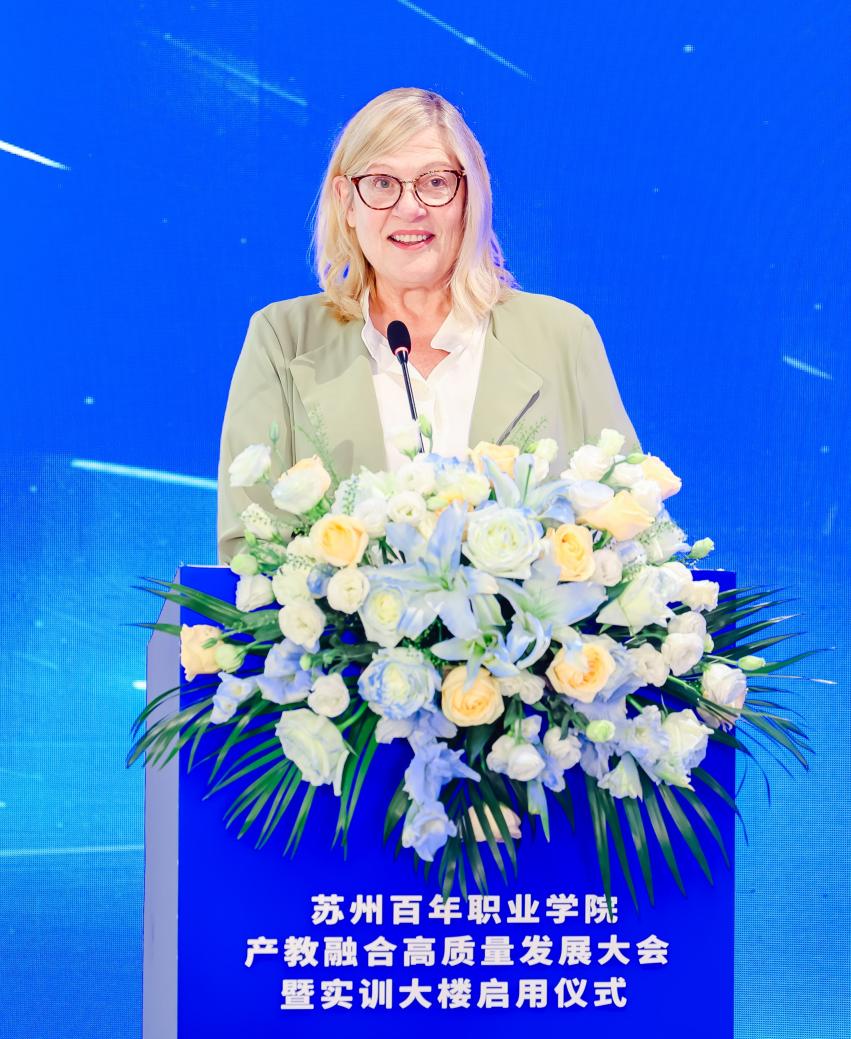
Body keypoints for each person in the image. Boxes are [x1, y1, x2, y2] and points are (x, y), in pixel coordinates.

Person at [218, 87, 638, 563]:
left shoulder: (562, 336)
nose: (409, 208)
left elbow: (630, 535)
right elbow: (248, 550)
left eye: (435, 182)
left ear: (469, 198)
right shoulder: (283, 339)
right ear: (347, 202)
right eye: (381, 183)